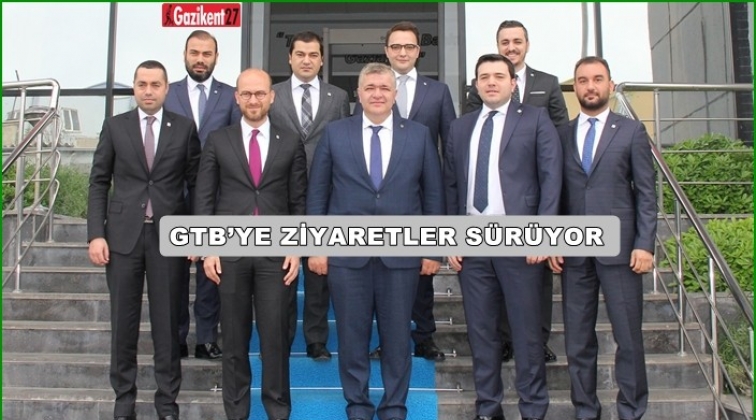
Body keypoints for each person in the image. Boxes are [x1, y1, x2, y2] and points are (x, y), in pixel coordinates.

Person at [307, 62, 444, 420]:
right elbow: (318, 192)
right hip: (346, 258)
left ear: (395, 94)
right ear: (358, 93)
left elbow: (433, 194)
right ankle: (358, 408)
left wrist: (433, 249)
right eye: (370, 88)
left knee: (397, 340)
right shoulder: (336, 133)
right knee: (351, 339)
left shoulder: (419, 135)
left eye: (384, 88)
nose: (378, 94)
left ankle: (394, 408)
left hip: (402, 258)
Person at [444, 54, 562, 420]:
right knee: (481, 332)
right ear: (476, 85)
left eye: (499, 76)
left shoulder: (536, 119)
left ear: (513, 83)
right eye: (484, 77)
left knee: (526, 332)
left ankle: (533, 409)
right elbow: (451, 185)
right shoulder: (460, 127)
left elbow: (551, 178)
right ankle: (488, 408)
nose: (491, 82)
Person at [87, 60, 201, 420]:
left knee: (168, 325)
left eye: (155, 84)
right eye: (142, 84)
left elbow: (197, 183)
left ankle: (167, 404)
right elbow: (98, 181)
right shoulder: (115, 126)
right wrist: (96, 234)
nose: (148, 91)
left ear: (166, 89)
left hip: (169, 238)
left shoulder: (184, 128)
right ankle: (124, 401)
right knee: (123, 324)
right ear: (134, 88)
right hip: (122, 238)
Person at [194, 68, 307, 420]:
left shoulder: (290, 141)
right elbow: (204, 196)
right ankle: (237, 412)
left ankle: (277, 411)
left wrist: (296, 248)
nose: (253, 100)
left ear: (272, 97)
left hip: (276, 255)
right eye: (246, 94)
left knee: (275, 339)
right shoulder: (218, 140)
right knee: (234, 340)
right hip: (230, 254)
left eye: (260, 93)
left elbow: (298, 200)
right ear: (237, 98)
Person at [549, 56, 655, 420]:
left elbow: (646, 193)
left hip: (622, 251)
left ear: (610, 85)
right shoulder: (561, 134)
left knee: (628, 338)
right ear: (574, 87)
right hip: (574, 250)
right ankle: (586, 411)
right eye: (582, 80)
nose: (590, 86)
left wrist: (644, 243)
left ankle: (632, 410)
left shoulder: (631, 131)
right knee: (578, 340)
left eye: (597, 79)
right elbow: (554, 192)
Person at [465, 19, 569, 364]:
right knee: (493, 287)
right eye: (504, 42)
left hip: (529, 201)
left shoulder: (547, 84)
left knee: (536, 283)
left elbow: (560, 137)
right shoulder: (479, 90)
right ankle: (505, 340)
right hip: (487, 207)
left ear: (527, 44)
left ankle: (537, 340)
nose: (511, 47)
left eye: (517, 41)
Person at [354, 20, 456, 363]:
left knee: (422, 275)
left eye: (409, 46)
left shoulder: (438, 91)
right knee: (380, 276)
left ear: (418, 51)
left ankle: (424, 337)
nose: (402, 52)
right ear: (386, 50)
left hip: (421, 195)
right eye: (396, 46)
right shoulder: (372, 89)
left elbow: (450, 145)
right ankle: (386, 339)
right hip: (379, 198)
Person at [269, 30, 350, 361]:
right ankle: (282, 338)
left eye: (313, 54)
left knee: (318, 273)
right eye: (300, 54)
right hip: (279, 195)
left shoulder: (338, 97)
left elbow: (345, 144)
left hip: (324, 194)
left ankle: (316, 339)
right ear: (290, 58)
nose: (306, 60)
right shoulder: (272, 94)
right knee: (281, 272)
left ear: (321, 60)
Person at [164, 29, 240, 361]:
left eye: (206, 54)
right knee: (174, 273)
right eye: (194, 53)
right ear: (185, 55)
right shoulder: (168, 93)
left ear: (216, 58)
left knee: (212, 271)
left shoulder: (231, 96)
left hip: (217, 196)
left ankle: (206, 339)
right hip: (173, 195)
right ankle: (177, 337)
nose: (200, 59)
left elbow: (236, 142)